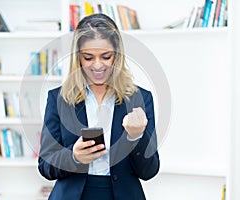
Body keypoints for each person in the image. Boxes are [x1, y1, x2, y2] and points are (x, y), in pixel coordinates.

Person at [38, 13, 159, 200]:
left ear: (117, 56)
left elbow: (149, 171)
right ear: (77, 58)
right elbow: (45, 166)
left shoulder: (140, 99)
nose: (97, 65)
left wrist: (136, 136)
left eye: (106, 56)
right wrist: (73, 157)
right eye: (88, 57)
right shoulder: (58, 99)